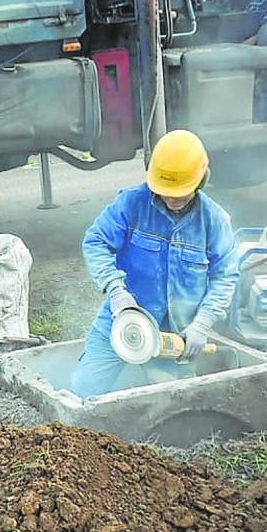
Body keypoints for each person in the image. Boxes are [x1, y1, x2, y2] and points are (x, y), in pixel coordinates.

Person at [69, 130, 239, 398]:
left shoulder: (214, 221)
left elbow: (225, 276)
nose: (172, 198)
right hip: (122, 320)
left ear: (201, 180)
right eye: (165, 191)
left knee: (172, 406)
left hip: (175, 337)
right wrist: (116, 291)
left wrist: (202, 324)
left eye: (181, 192)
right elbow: (96, 241)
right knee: (82, 392)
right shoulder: (131, 204)